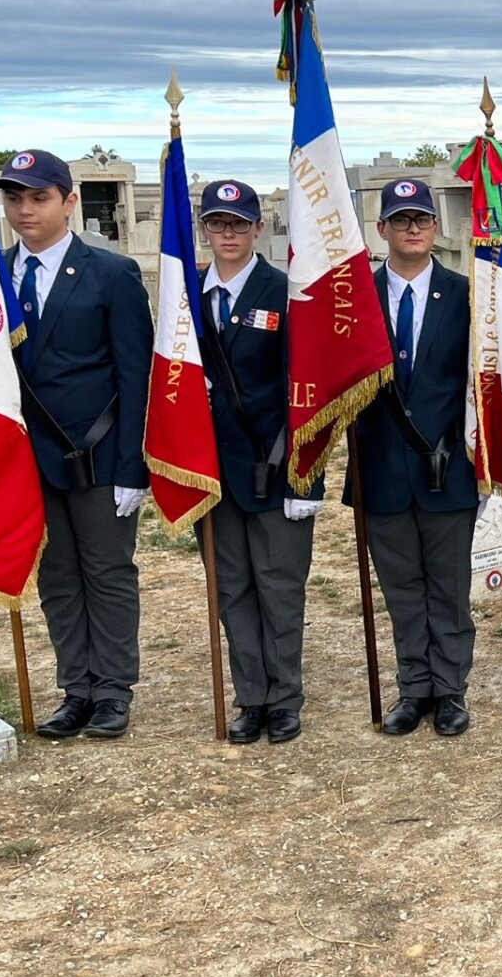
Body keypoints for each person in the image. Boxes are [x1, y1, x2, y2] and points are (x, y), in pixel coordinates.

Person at [0, 149, 153, 741]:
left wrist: (134, 466)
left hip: (101, 454)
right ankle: (76, 689)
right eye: (14, 198)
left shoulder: (110, 274)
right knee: (57, 576)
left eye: (38, 197)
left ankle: (113, 691)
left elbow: (134, 375)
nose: (24, 209)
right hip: (27, 459)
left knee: (107, 573)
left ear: (68, 201)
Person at [347, 179, 480, 739]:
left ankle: (450, 692)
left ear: (435, 227)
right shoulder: (353, 300)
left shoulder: (468, 295)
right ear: (382, 230)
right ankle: (414, 688)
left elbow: (482, 383)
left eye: (421, 219)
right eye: (400, 220)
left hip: (447, 467)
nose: (411, 228)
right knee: (401, 588)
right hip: (380, 468)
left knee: (447, 589)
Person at [195, 180, 321, 745]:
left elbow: (307, 391)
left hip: (274, 469)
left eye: (238, 224)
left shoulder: (285, 292)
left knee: (279, 588)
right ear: (204, 229)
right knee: (233, 590)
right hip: (212, 472)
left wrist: (305, 476)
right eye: (217, 224)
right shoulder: (185, 296)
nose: (228, 234)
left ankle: (285, 698)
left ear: (258, 229)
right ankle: (252, 698)